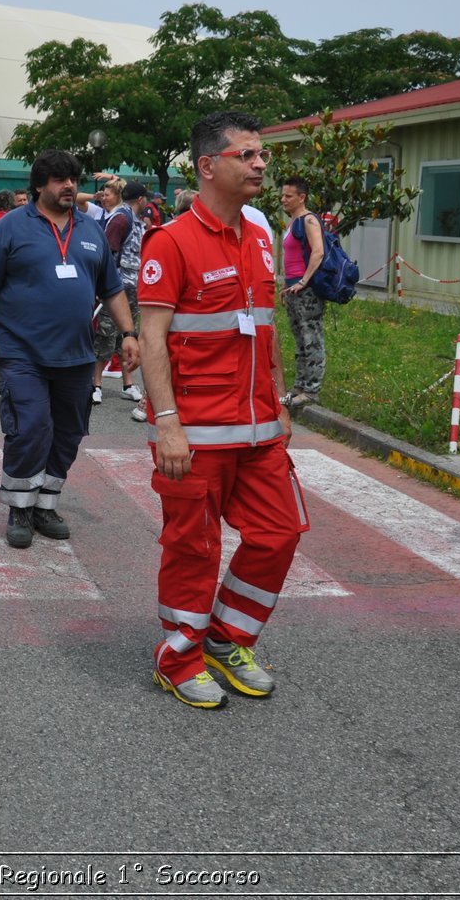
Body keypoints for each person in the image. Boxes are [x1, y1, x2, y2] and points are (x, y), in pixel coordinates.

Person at [137, 111, 305, 710]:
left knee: (280, 533)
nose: (261, 164)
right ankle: (178, 657)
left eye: (262, 155)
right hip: (197, 435)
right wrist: (167, 423)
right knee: (194, 547)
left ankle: (227, 639)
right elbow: (151, 337)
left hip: (260, 430)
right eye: (247, 155)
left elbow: (266, 329)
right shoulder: (171, 242)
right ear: (208, 166)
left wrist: (280, 403)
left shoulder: (261, 238)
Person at [0, 149, 138, 549]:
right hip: (21, 351)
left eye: (73, 179)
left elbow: (111, 288)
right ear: (40, 185)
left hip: (76, 354)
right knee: (30, 427)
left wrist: (129, 333)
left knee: (68, 432)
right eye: (60, 180)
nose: (70, 186)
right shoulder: (10, 227)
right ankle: (19, 506)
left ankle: (45, 502)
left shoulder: (91, 230)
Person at [90, 179, 147, 406]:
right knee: (105, 334)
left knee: (128, 335)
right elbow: (109, 253)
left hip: (132, 287)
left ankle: (128, 384)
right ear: (140, 200)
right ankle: (95, 384)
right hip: (117, 288)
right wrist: (104, 286)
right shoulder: (121, 219)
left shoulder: (133, 220)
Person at [279, 177, 326, 408]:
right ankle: (299, 386)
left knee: (311, 339)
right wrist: (286, 286)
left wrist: (303, 281)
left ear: (302, 197)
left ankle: (312, 390)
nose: (283, 200)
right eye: (282, 195)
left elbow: (318, 252)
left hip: (306, 291)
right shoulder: (292, 223)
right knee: (299, 340)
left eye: (288, 196)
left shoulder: (308, 220)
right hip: (293, 289)